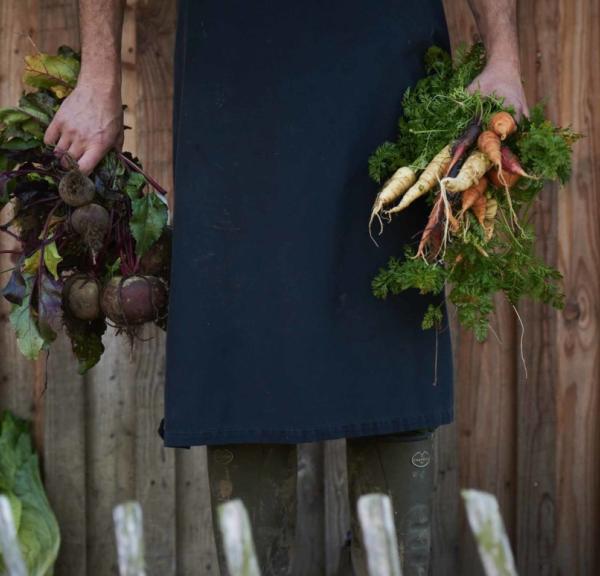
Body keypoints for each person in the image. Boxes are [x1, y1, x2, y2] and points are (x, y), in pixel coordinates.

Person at [44, 0, 527, 574]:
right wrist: (99, 76)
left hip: (388, 68)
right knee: (248, 349)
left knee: (391, 343)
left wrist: (504, 54)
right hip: (238, 73)